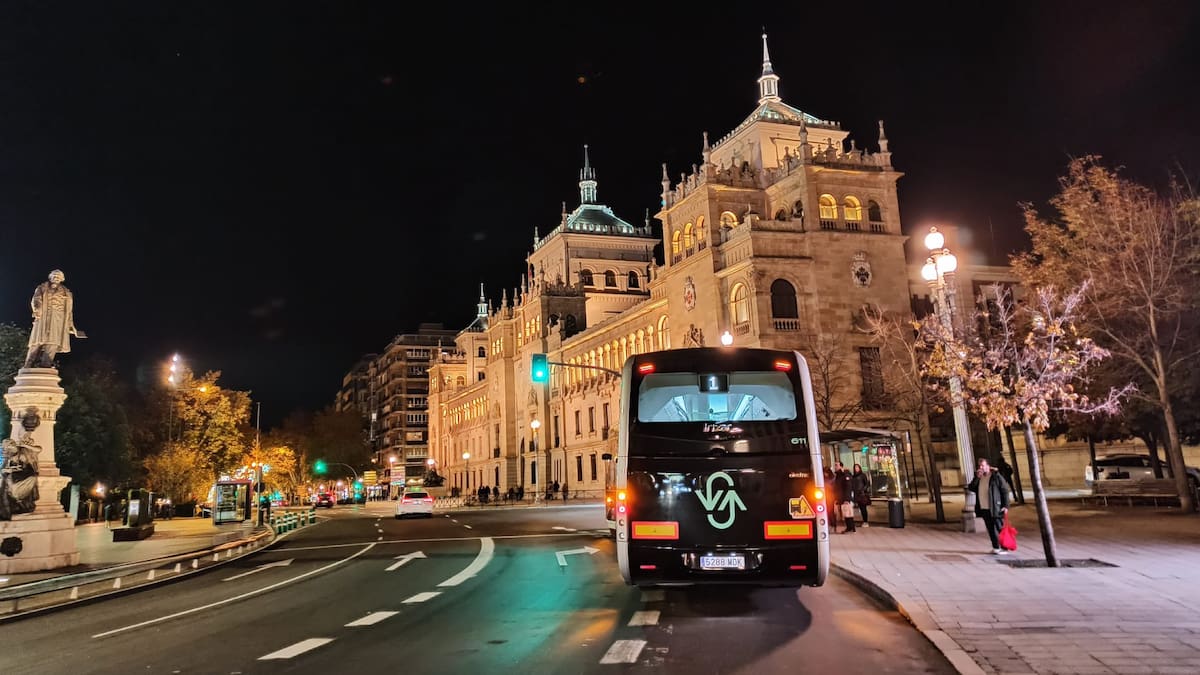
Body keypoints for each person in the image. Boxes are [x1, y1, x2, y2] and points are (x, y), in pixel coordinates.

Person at [24, 269, 86, 368]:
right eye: (54, 275)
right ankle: (28, 364)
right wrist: (37, 309)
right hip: (43, 317)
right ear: (50, 277)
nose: (56, 277)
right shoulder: (42, 288)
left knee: (53, 342)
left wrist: (70, 325)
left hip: (59, 319)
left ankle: (45, 365)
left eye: (58, 276)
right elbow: (36, 299)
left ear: (62, 279)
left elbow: (69, 311)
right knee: (37, 342)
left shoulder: (67, 293)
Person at [968, 458, 1013, 554]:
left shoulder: (996, 476)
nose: (981, 468)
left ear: (988, 466)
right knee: (991, 529)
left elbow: (1005, 490)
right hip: (984, 508)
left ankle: (1004, 548)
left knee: (999, 527)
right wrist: (977, 478)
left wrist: (1006, 505)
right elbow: (971, 488)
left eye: (983, 465)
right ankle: (996, 547)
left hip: (995, 507)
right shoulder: (979, 478)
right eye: (979, 466)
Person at [834, 462, 855, 532]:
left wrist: (847, 499)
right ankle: (850, 527)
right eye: (835, 465)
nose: (835, 467)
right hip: (840, 497)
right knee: (845, 513)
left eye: (836, 465)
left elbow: (848, 487)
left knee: (848, 512)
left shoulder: (845, 474)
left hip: (845, 497)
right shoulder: (838, 475)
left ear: (841, 466)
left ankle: (851, 527)